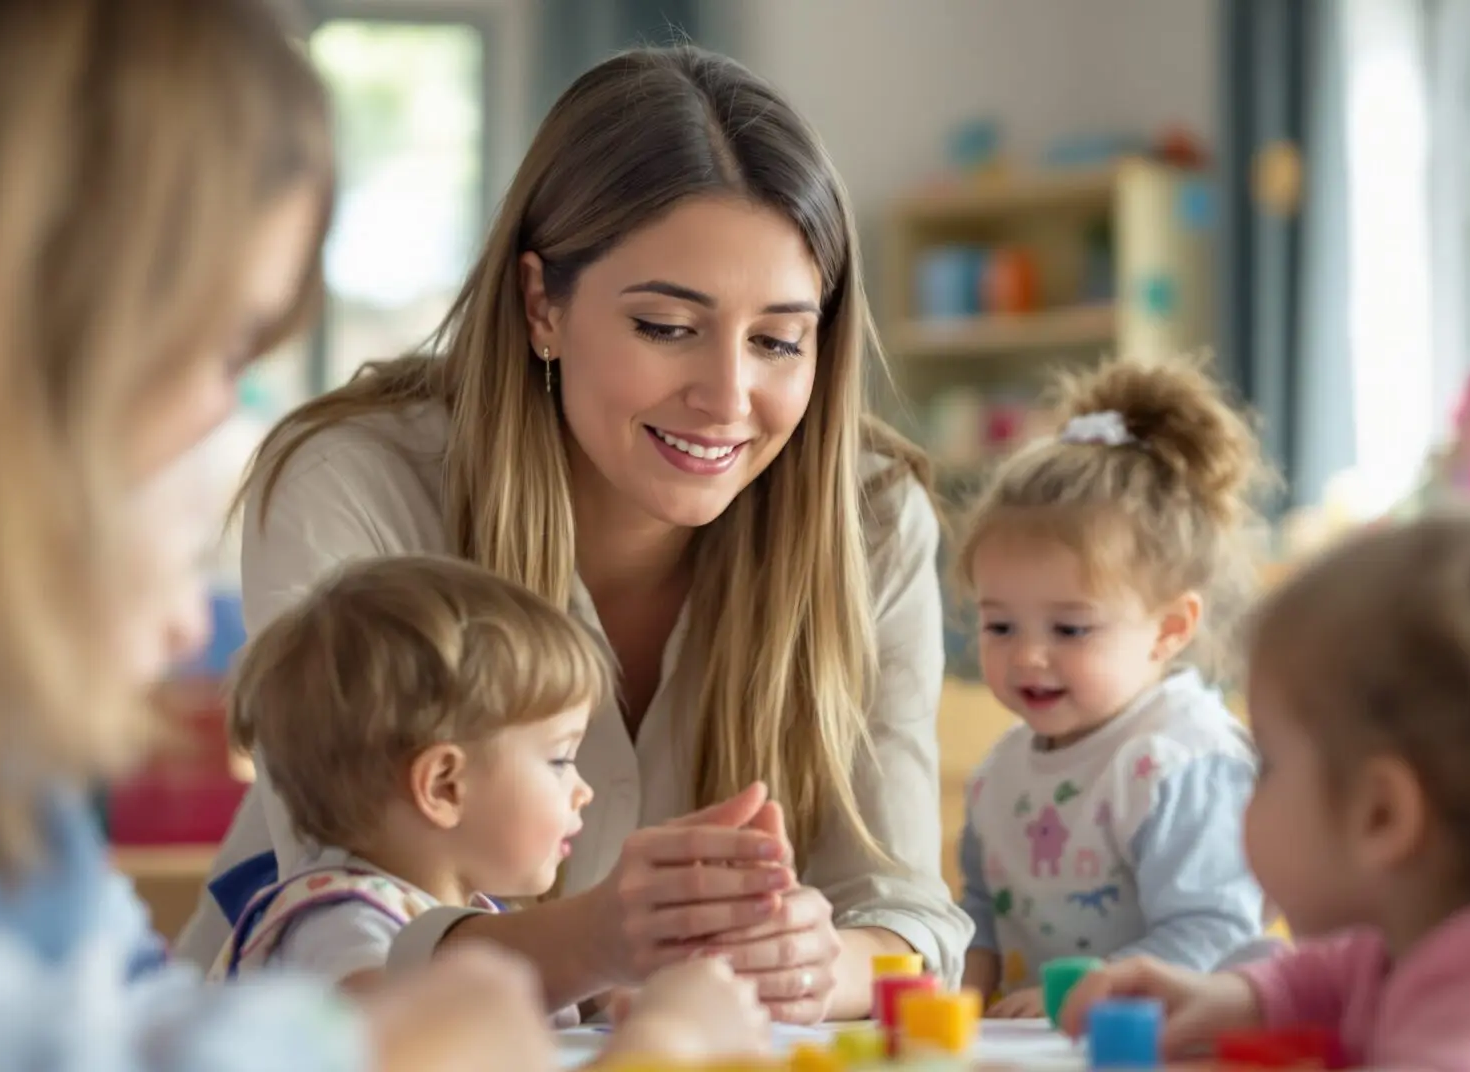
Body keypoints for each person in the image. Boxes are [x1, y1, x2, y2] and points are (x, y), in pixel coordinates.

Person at [0, 1, 550, 1069]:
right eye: (226, 344)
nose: (220, 410)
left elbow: (113, 1006)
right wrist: (379, 1049)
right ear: (38, 320)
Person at [174, 45, 972, 1022]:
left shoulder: (874, 517)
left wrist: (813, 961)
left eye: (776, 340)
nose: (728, 398)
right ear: (541, 303)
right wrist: (603, 934)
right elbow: (343, 921)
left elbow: (903, 912)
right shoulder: (353, 482)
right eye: (667, 326)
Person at [1060, 513, 1470, 1070]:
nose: (1245, 793)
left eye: (1266, 763)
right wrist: (1232, 996)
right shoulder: (1436, 948)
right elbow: (1334, 980)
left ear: (1380, 815)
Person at [207, 554, 770, 1062]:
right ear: (445, 786)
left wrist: (622, 988)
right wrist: (668, 1034)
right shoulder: (340, 925)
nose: (584, 790)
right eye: (558, 759)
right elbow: (396, 1051)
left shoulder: (460, 915)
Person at [952, 356, 1267, 1017]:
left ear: (1169, 628)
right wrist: (952, 1002)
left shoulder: (1182, 761)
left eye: (1070, 629)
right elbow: (979, 916)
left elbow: (1214, 932)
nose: (1028, 655)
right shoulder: (1001, 771)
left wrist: (1068, 997)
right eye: (1000, 624)